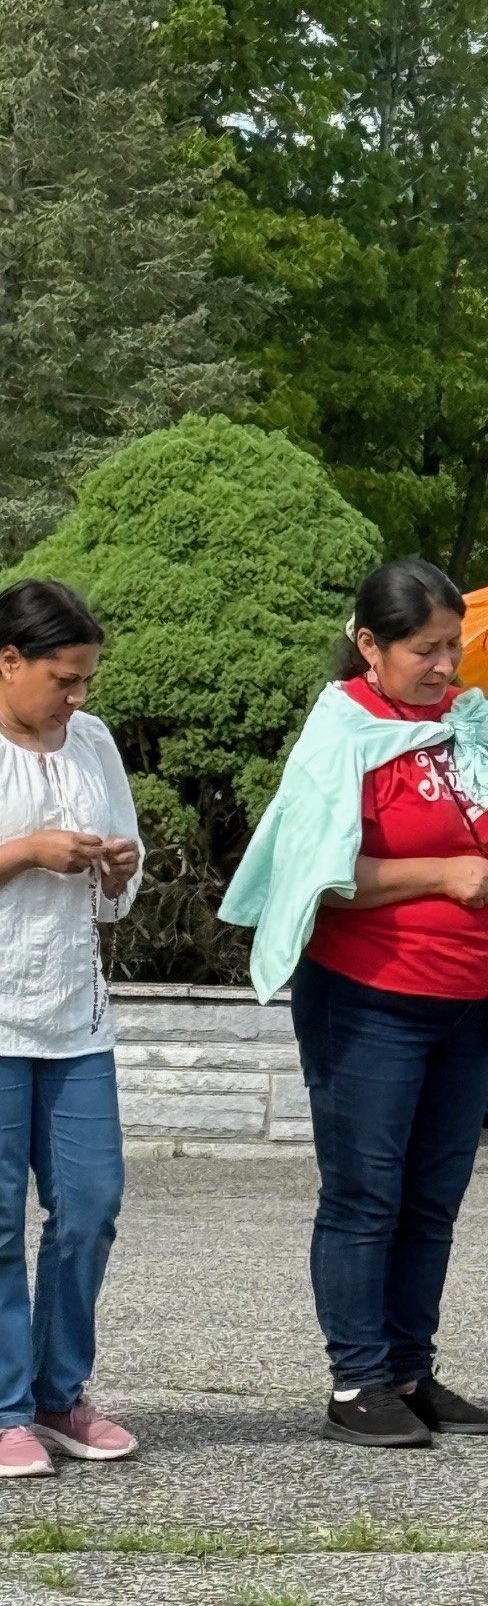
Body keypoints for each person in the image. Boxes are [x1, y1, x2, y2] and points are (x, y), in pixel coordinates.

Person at [222, 560, 488, 1450]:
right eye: (423, 650)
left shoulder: (463, 723)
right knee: (366, 1194)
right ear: (369, 644)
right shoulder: (343, 733)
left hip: (465, 1000)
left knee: (433, 1197)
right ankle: (356, 1379)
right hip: (369, 999)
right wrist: (441, 874)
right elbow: (316, 875)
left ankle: (409, 1367)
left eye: (452, 647)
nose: (445, 667)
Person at [0, 579, 142, 1481]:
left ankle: (59, 1392)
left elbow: (118, 896)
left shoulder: (92, 743)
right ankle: (6, 1405)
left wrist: (118, 865)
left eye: (86, 678)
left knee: (89, 1207)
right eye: (63, 678)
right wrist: (24, 852)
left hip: (73, 1017)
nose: (78, 697)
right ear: (7, 663)